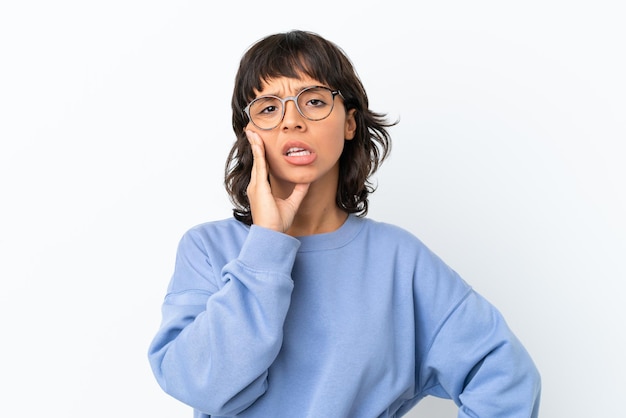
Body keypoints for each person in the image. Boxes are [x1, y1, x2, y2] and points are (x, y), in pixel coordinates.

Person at [147, 30, 541, 417]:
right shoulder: (207, 249)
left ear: (350, 123)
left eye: (314, 101)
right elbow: (200, 385)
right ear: (249, 134)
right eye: (268, 108)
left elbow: (503, 375)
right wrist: (266, 243)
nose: (292, 121)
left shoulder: (399, 260)